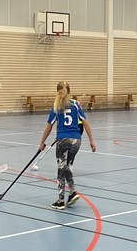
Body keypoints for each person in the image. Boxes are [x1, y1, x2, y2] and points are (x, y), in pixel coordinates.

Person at [39, 80, 96, 210]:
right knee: (67, 167)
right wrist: (92, 141)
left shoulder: (56, 106)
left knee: (61, 169)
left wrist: (42, 142)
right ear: (69, 92)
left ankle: (60, 201)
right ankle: (72, 193)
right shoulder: (76, 104)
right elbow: (86, 123)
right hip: (76, 141)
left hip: (63, 140)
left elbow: (48, 127)